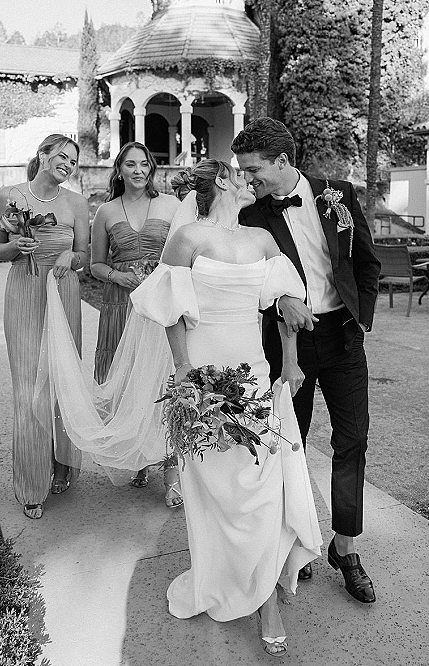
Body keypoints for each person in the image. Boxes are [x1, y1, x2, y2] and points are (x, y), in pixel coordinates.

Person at [130, 160, 322, 658]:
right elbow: (172, 310)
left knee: (259, 484)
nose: (249, 178)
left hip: (252, 369)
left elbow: (285, 302)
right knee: (216, 488)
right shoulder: (188, 237)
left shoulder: (262, 239)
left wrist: (292, 365)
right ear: (221, 182)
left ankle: (265, 599)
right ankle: (228, 576)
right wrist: (182, 372)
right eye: (241, 173)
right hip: (203, 370)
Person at [232, 117, 380, 604]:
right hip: (287, 345)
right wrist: (279, 303)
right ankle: (296, 543)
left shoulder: (337, 194)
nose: (249, 179)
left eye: (254, 170)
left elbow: (366, 262)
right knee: (287, 445)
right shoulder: (251, 217)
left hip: (341, 337)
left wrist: (361, 319)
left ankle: (345, 546)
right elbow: (249, 285)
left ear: (282, 160)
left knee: (352, 441)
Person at [0, 133, 89, 520]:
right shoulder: (10, 195)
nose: (67, 164)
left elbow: (85, 255)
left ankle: (64, 465)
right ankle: (32, 482)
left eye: (73, 161)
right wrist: (17, 247)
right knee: (27, 386)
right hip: (25, 290)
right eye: (61, 156)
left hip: (63, 291)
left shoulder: (78, 203)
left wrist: (69, 254)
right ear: (43, 154)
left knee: (62, 382)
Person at [90, 141, 181, 505]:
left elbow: (186, 255)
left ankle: (172, 471)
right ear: (119, 170)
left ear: (152, 168)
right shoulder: (106, 212)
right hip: (120, 305)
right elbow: (94, 264)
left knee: (165, 382)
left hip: (159, 307)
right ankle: (139, 456)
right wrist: (117, 275)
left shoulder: (171, 206)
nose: (139, 170)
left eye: (145, 164)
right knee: (127, 381)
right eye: (131, 165)